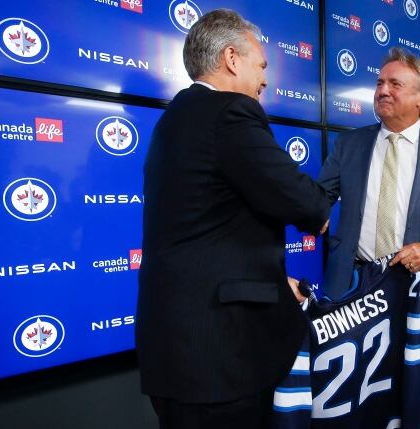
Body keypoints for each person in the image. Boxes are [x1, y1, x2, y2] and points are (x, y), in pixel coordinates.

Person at [136, 9, 330, 428]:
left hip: (178, 351)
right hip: (219, 358)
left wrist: (274, 285)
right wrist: (321, 211)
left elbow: (211, 228)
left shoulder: (177, 117)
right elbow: (304, 202)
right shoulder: (230, 113)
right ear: (231, 58)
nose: (265, 79)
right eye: (261, 65)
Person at [318, 47, 420, 316]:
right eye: (380, 83)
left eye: (395, 84)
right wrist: (312, 212)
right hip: (350, 281)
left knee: (405, 360)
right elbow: (320, 196)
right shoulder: (349, 144)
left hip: (411, 284)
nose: (383, 91)